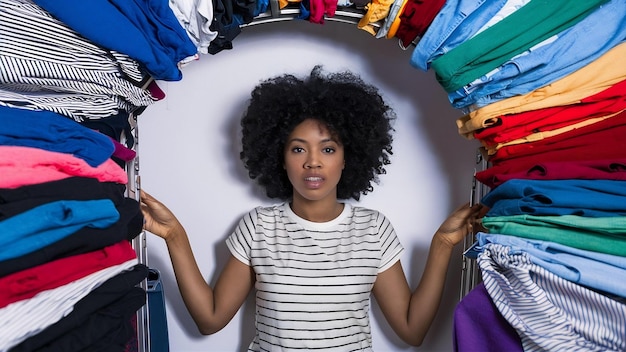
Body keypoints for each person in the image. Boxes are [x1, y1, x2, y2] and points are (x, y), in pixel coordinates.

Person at [140, 65, 483, 351]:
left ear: (349, 157)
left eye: (328, 149)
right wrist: (174, 236)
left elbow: (412, 329)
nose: (313, 163)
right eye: (299, 149)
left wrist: (442, 244)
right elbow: (210, 319)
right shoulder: (258, 226)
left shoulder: (373, 229)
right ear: (280, 157)